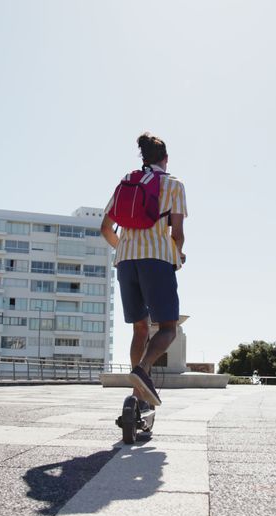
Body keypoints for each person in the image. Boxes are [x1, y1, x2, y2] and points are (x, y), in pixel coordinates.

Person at [101, 132, 187, 407]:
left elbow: (105, 229)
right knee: (168, 328)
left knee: (140, 328)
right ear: (166, 158)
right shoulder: (173, 184)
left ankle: (138, 398)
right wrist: (178, 255)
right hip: (157, 260)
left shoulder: (126, 183)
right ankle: (142, 369)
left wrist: (124, 250)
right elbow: (178, 234)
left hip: (125, 261)